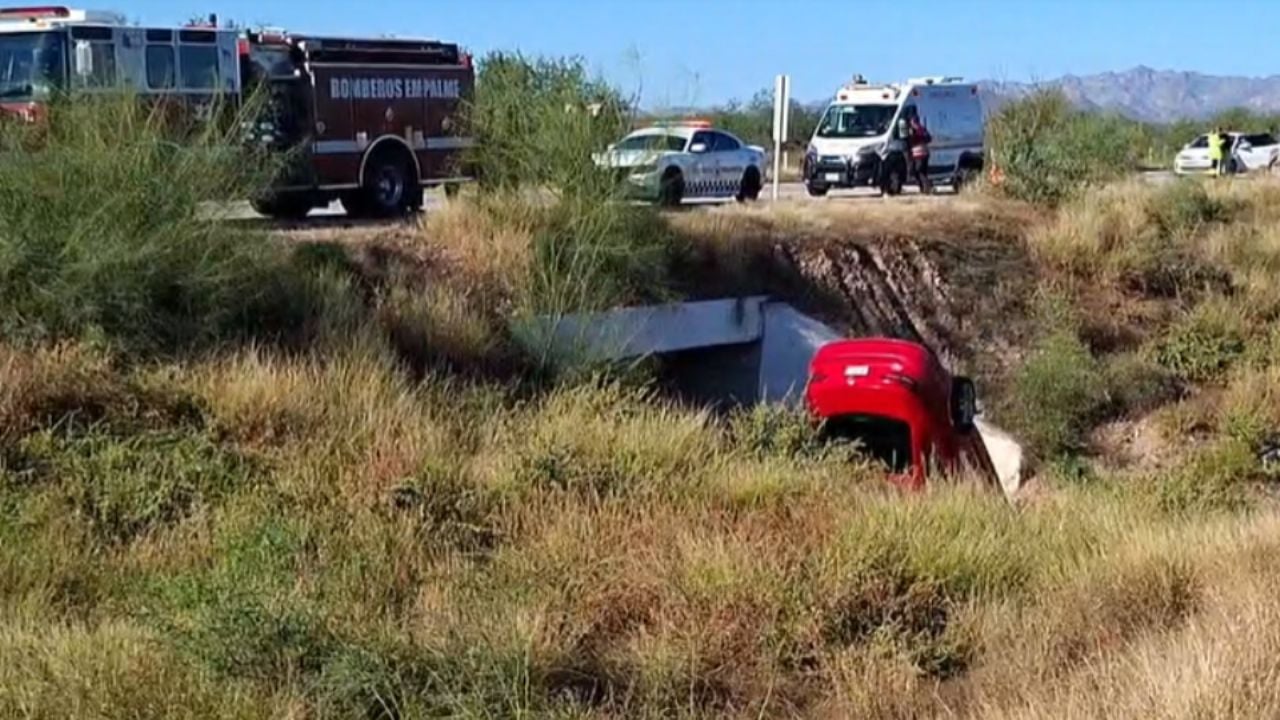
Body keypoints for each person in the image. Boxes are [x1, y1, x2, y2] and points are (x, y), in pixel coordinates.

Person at [906, 108, 933, 193]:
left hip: (919, 154)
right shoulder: (922, 129)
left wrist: (913, 136)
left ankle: (927, 187)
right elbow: (929, 138)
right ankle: (924, 188)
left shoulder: (916, 130)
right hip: (924, 154)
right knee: (921, 172)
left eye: (912, 121)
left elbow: (912, 140)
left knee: (919, 171)